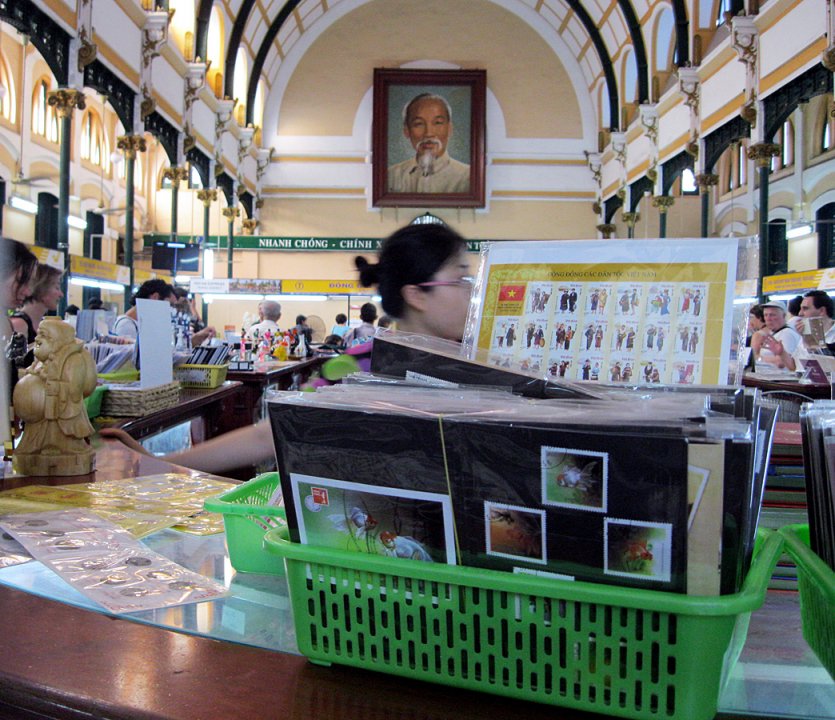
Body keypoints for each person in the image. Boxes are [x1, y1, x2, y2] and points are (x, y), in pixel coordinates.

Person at [101, 223, 473, 472]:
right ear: (417, 295)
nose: (471, 293)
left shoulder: (486, 366)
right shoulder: (359, 365)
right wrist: (164, 466)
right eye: (460, 278)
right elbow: (271, 432)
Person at [387, 93, 470, 194]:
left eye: (437, 123)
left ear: (449, 129)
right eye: (419, 124)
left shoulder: (467, 177)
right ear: (406, 131)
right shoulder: (391, 176)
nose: (429, 133)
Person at [763, 290, 835, 371]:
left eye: (805, 308)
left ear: (822, 310)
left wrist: (810, 341)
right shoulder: (805, 335)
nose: (800, 313)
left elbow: (827, 369)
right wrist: (782, 353)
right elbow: (795, 367)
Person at [9, 263, 64, 366]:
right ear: (42, 288)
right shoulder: (19, 325)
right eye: (56, 287)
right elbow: (15, 371)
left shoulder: (43, 325)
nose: (61, 294)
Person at [752, 300, 802, 369]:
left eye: (772, 315)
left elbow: (781, 361)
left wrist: (758, 358)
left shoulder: (787, 334)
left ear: (784, 316)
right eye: (765, 315)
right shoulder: (774, 333)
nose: (768, 318)